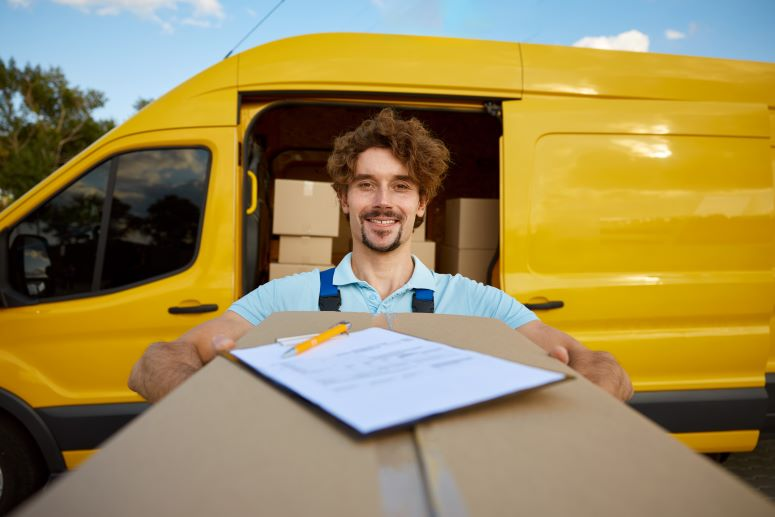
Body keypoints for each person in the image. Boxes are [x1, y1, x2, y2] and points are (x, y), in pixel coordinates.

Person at [129, 108, 633, 403]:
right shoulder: (285, 298)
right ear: (343, 200)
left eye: (401, 187)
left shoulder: (479, 303)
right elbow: (156, 361)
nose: (383, 202)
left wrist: (573, 402)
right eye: (366, 185)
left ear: (421, 206)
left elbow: (604, 367)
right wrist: (213, 411)